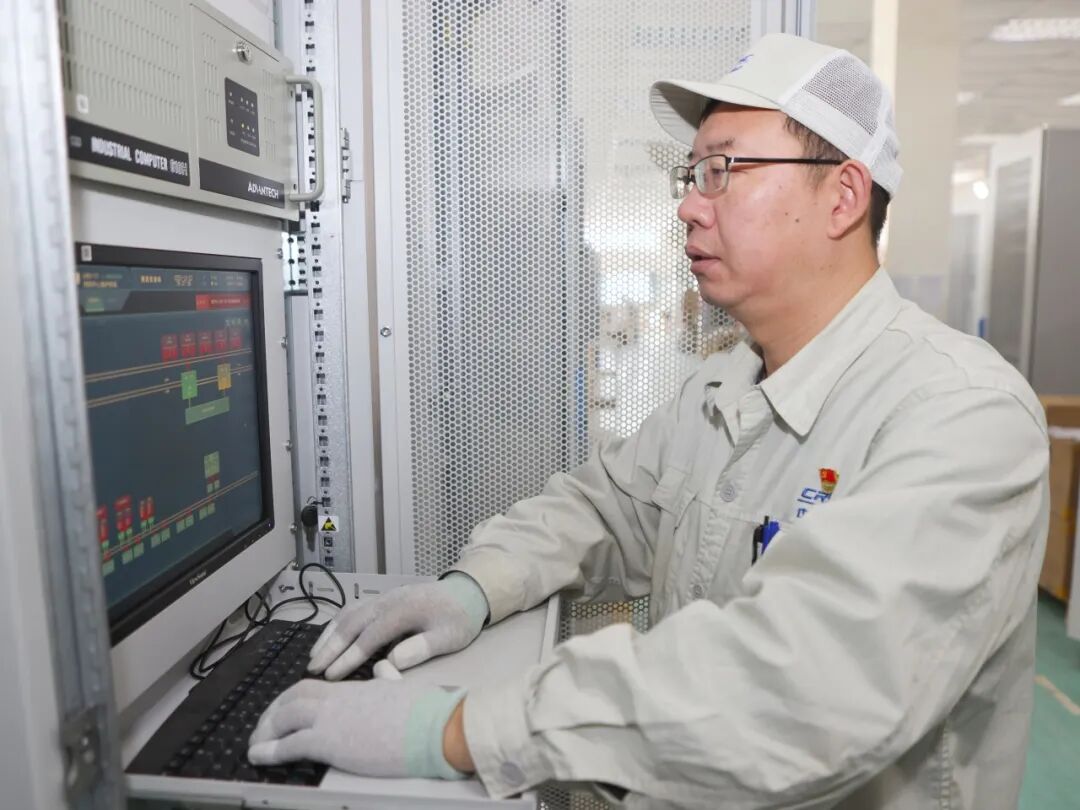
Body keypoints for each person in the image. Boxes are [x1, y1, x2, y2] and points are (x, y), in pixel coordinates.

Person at [247, 33, 1049, 809]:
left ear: (842, 195)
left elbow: (803, 691)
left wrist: (460, 731)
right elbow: (602, 509)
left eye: (722, 170)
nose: (689, 208)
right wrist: (472, 589)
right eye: (690, 176)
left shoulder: (959, 414)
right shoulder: (725, 386)